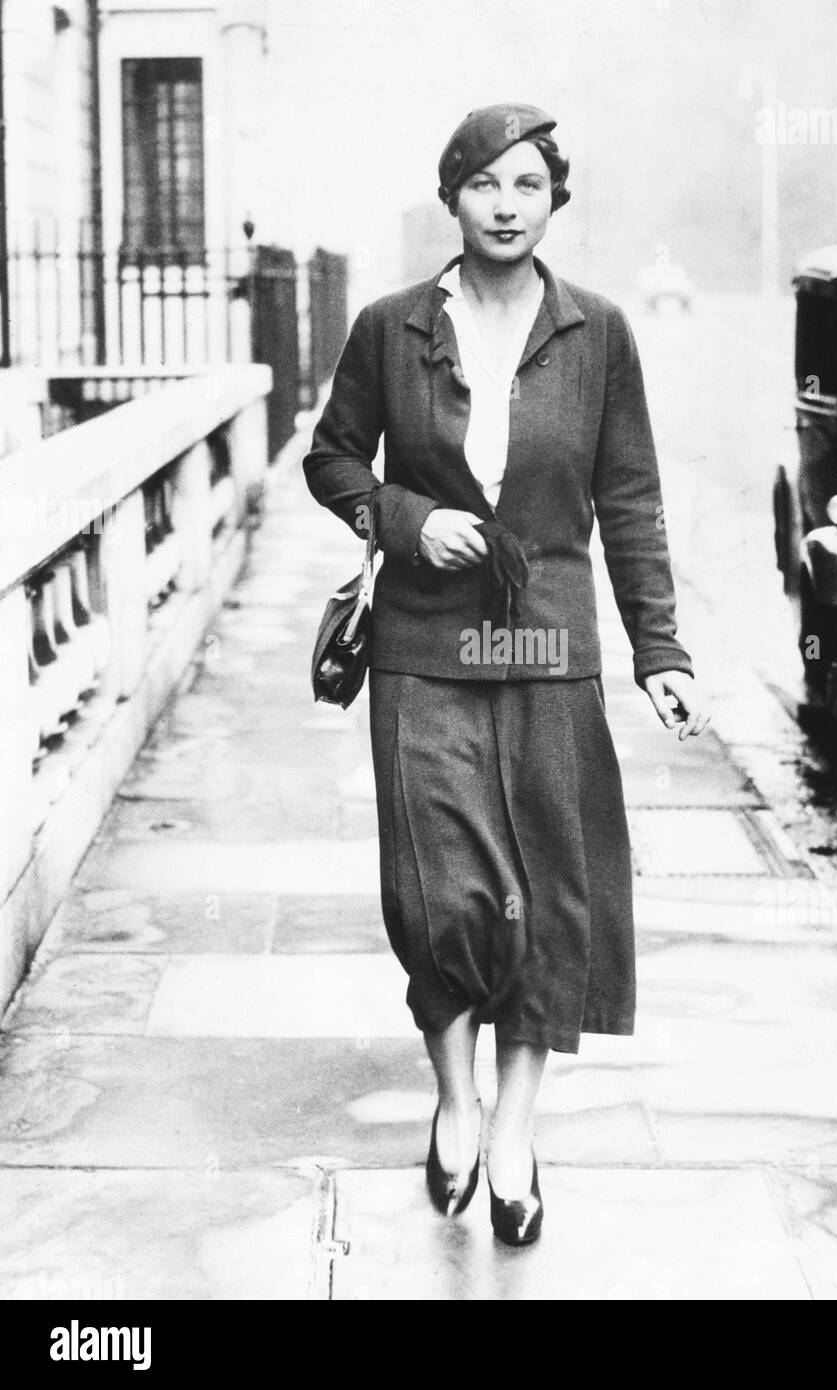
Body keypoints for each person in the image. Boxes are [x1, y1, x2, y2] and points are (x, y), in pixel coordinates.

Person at [302, 102, 708, 1246]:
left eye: (527, 186)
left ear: (552, 201)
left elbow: (628, 497)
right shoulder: (390, 329)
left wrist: (658, 651)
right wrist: (399, 516)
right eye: (484, 185)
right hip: (426, 649)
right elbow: (329, 455)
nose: (506, 206)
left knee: (546, 900)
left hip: (545, 651)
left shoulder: (598, 333)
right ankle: (456, 1095)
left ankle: (517, 1130)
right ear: (453, 197)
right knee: (442, 899)